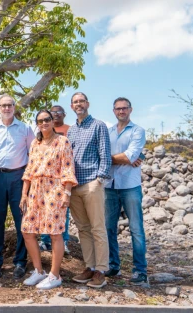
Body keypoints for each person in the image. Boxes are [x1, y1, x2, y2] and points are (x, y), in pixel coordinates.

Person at [20, 110, 77, 290]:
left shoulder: (62, 141)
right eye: (40, 121)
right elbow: (29, 170)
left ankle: (55, 275)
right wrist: (24, 194)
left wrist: (67, 193)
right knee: (27, 230)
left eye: (47, 120)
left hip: (54, 190)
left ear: (53, 122)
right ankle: (39, 271)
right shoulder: (35, 144)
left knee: (54, 233)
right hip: (35, 190)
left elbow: (68, 168)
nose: (43, 123)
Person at [0, 94, 33, 279]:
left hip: (18, 177)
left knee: (22, 220)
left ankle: (20, 262)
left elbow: (31, 154)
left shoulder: (25, 128)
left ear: (14, 107)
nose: (6, 108)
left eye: (10, 105)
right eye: (3, 105)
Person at [67, 92, 112, 289]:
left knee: (97, 228)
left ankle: (101, 270)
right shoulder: (71, 131)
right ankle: (89, 267)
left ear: (88, 103)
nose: (79, 104)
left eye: (82, 101)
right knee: (83, 229)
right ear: (72, 106)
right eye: (75, 102)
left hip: (92, 183)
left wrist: (100, 179)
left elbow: (105, 154)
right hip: (75, 186)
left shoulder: (98, 125)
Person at [104, 98, 148, 285]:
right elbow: (103, 153)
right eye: (118, 108)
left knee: (136, 229)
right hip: (109, 186)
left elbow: (131, 155)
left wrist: (128, 157)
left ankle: (140, 270)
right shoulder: (108, 132)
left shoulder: (138, 131)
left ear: (130, 109)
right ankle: (113, 265)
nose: (121, 111)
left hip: (130, 186)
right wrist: (126, 158)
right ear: (113, 111)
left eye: (124, 108)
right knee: (108, 229)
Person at [40, 104, 72, 255]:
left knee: (63, 212)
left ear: (64, 114)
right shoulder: (43, 133)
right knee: (45, 211)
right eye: (53, 113)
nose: (56, 114)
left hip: (63, 179)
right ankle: (45, 240)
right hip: (45, 182)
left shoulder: (69, 130)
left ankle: (64, 241)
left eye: (59, 112)